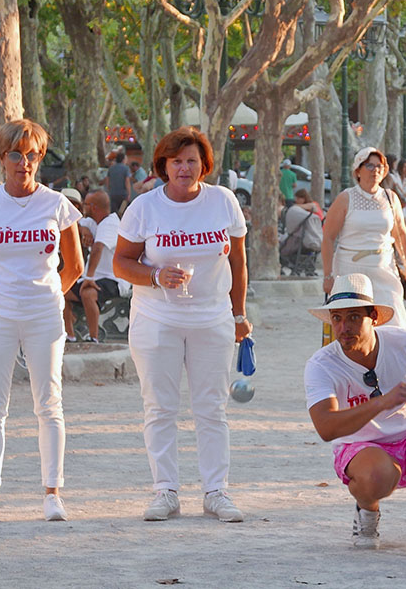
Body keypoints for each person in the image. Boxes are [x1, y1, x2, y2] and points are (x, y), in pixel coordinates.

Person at [113, 126, 251, 523]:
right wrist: (155, 276)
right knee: (160, 407)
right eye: (177, 161)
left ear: (204, 165)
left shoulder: (224, 202)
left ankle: (216, 491)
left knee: (212, 407)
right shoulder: (144, 207)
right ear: (163, 166)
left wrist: (239, 313)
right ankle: (165, 491)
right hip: (157, 318)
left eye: (192, 160)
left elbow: (238, 263)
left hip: (213, 317)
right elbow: (121, 262)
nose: (185, 168)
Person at [0, 119, 83, 526]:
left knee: (49, 403)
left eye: (32, 155)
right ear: (2, 158)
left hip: (44, 314)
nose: (24, 163)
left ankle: (52, 493)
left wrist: (50, 294)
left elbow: (75, 264)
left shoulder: (56, 204)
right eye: (16, 154)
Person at [303, 273, 406, 563]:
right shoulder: (321, 365)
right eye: (337, 318)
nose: (344, 328)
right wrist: (381, 403)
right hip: (360, 449)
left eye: (354, 317)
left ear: (374, 317)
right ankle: (367, 507)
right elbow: (326, 427)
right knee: (380, 475)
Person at [321, 147, 406, 327]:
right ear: (358, 170)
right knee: (353, 324)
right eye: (370, 166)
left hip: (384, 267)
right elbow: (327, 237)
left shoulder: (391, 198)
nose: (376, 171)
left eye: (380, 166)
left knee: (394, 322)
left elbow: (401, 233)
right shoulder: (345, 198)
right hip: (350, 268)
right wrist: (328, 275)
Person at [64, 190, 128, 343]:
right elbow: (77, 222)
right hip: (93, 276)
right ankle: (70, 335)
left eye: (85, 204)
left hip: (112, 278)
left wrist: (89, 277)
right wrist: (84, 230)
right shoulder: (93, 221)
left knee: (88, 293)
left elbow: (98, 249)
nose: (83, 208)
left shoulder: (110, 223)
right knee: (60, 291)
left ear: (93, 207)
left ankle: (94, 338)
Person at [105, 148, 131, 213]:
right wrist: (129, 193)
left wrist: (109, 190)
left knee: (114, 212)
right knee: (123, 212)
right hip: (123, 194)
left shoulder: (111, 168)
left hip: (113, 193)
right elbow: (127, 182)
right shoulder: (126, 168)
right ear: (123, 160)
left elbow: (107, 181)